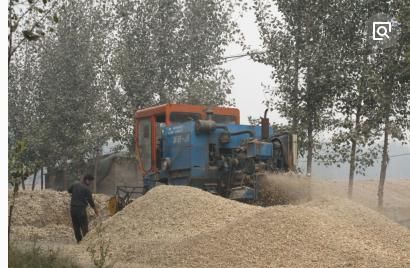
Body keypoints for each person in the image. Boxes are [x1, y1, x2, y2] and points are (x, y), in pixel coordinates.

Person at [68, 174, 99, 243]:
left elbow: (69, 190)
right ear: (87, 180)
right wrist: (95, 210)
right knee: (84, 225)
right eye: (91, 182)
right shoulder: (86, 189)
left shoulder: (75, 184)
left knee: (76, 226)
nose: (91, 184)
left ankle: (79, 241)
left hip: (73, 209)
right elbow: (90, 201)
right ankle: (85, 242)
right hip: (81, 209)